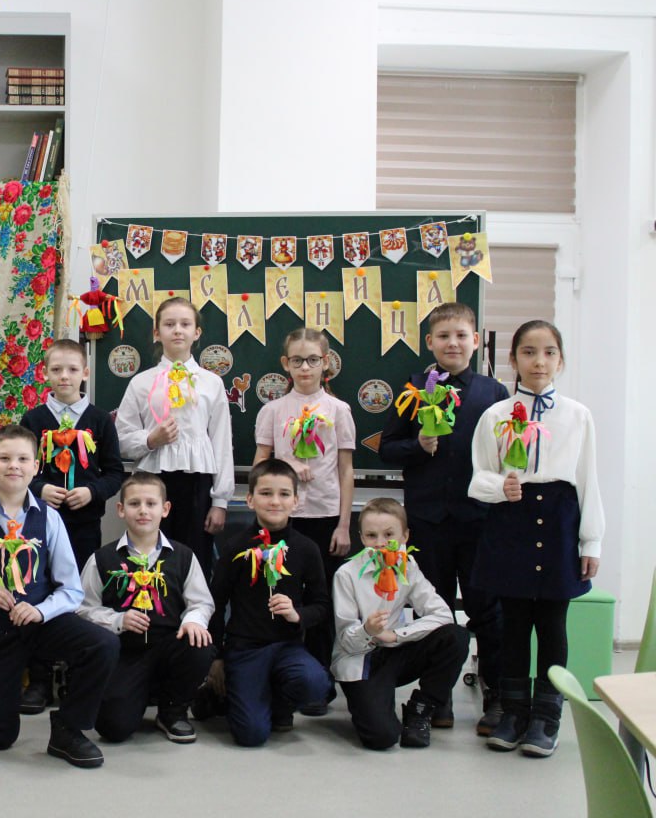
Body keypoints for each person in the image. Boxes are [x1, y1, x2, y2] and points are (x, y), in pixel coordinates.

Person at [0, 424, 119, 767]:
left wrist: (41, 612)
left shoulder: (50, 518)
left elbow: (71, 589)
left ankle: (68, 729)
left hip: (39, 624)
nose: (13, 466)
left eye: (22, 459)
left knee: (102, 644)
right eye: (5, 458)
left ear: (36, 466)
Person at [470, 320, 602, 757]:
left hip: (559, 521)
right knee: (512, 624)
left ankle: (547, 716)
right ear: (513, 359)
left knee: (551, 624)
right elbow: (479, 478)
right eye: (528, 352)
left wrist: (591, 542)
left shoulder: (578, 415)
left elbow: (588, 482)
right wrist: (500, 487)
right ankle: (513, 713)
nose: (539, 361)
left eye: (549, 352)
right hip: (512, 522)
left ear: (560, 360)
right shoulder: (496, 415)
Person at [379, 302, 509, 733]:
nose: (453, 343)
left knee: (487, 610)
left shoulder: (493, 394)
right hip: (428, 521)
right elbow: (387, 448)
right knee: (431, 610)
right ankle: (437, 696)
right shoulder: (414, 389)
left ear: (476, 340)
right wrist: (418, 446)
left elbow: (509, 454)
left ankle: (497, 696)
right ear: (430, 342)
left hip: (479, 521)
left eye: (461, 335)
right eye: (444, 336)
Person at [17, 337, 125, 713]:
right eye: (57, 369)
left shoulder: (99, 420)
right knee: (39, 591)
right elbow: (21, 466)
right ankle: (40, 677)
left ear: (86, 373)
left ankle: (76, 674)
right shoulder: (33, 420)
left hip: (83, 525)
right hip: (40, 525)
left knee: (76, 594)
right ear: (45, 373)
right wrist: (39, 488)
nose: (65, 376)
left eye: (72, 369)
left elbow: (114, 472)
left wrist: (92, 492)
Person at [253, 327, 354, 714]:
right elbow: (260, 464)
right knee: (279, 595)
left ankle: (319, 682)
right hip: (282, 519)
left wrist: (344, 524)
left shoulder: (338, 410)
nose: (305, 367)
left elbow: (346, 469)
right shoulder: (273, 411)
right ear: (286, 364)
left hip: (325, 516)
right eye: (297, 360)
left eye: (313, 360)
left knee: (319, 600)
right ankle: (279, 677)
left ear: (326, 363)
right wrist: (288, 466)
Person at [78, 472, 215, 744]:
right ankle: (137, 696)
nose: (143, 510)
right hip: (125, 651)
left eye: (151, 504)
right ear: (121, 509)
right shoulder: (102, 559)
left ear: (165, 509)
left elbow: (201, 602)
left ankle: (173, 710)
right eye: (134, 503)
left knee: (199, 643)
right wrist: (117, 620)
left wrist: (193, 621)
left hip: (170, 645)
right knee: (113, 727)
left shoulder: (183, 556)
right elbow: (82, 609)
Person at [207, 459, 331, 746]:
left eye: (284, 494)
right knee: (251, 736)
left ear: (296, 501)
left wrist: (297, 615)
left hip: (288, 647)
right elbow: (216, 603)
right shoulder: (236, 547)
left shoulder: (306, 549)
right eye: (265, 493)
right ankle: (221, 697)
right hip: (245, 649)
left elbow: (322, 605)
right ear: (250, 499)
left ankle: (279, 705)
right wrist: (217, 657)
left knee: (315, 684)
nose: (275, 501)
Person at [332, 498, 470, 750]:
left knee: (455, 637)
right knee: (382, 737)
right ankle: (375, 706)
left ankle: (421, 708)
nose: (380, 543)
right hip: (361, 658)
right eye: (371, 535)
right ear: (361, 537)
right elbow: (346, 639)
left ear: (405, 536)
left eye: (389, 535)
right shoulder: (346, 575)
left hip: (396, 651)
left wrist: (396, 635)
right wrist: (368, 631)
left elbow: (442, 615)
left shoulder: (408, 567)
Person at [115, 296, 233, 577]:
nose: (177, 330)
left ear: (197, 332)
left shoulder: (211, 383)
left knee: (194, 560)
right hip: (151, 482)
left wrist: (220, 502)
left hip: (197, 484)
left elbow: (221, 442)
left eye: (185, 324)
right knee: (150, 558)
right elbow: (120, 438)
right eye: (169, 324)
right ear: (157, 333)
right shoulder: (141, 383)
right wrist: (150, 440)